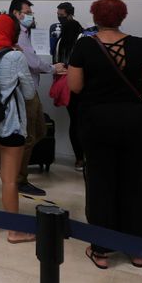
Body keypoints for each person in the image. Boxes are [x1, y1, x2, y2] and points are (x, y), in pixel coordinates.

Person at [68, 0, 142, 269]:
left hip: (97, 121)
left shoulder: (84, 46)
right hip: (134, 122)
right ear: (122, 17)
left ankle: (101, 249)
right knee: (134, 182)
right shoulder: (139, 46)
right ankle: (136, 249)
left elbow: (74, 86)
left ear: (95, 17)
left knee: (100, 182)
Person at [0, 14, 36, 243]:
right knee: (10, 179)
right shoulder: (15, 57)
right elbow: (29, 93)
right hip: (10, 123)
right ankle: (13, 231)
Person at [9, 0, 65, 196]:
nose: (31, 15)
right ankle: (18, 179)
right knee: (29, 136)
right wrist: (52, 68)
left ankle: (13, 171)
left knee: (39, 130)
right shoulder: (17, 34)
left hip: (30, 90)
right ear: (17, 13)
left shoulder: (24, 33)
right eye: (27, 11)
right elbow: (31, 62)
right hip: (25, 92)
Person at [54, 13, 85, 171]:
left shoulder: (60, 42)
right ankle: (86, 157)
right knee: (85, 122)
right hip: (81, 85)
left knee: (74, 121)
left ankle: (79, 159)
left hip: (65, 85)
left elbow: (56, 63)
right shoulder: (82, 41)